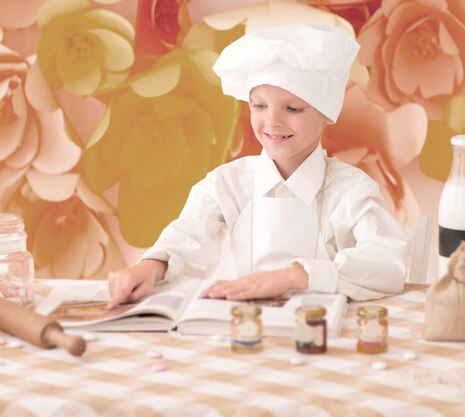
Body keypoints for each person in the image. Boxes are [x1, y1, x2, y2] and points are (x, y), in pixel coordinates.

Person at [107, 23, 409, 309]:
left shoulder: (351, 190)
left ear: (326, 112)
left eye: (293, 108)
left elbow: (387, 262)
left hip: (319, 333)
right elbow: (188, 238)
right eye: (259, 105)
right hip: (244, 328)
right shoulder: (226, 183)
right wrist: (152, 266)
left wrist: (293, 276)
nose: (273, 122)